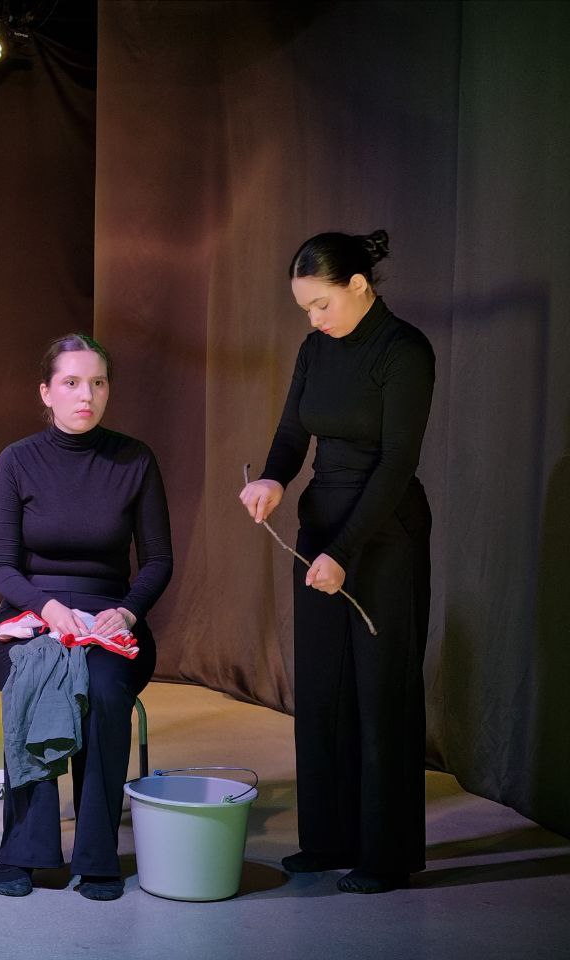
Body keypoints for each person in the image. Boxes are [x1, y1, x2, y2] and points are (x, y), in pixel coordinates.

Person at [239, 230, 434, 894]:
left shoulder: (404, 351)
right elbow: (294, 431)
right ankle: (327, 839)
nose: (314, 320)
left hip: (383, 535)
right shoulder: (315, 348)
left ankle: (386, 853)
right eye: (305, 310)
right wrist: (273, 479)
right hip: (321, 527)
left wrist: (344, 553)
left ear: (359, 285)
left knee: (382, 693)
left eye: (321, 304)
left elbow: (397, 464)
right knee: (323, 690)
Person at [0, 333, 173, 901]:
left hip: (110, 615)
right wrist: (47, 607)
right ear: (47, 392)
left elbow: (158, 560)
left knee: (104, 688)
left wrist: (128, 612)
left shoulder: (135, 460)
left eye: (97, 382)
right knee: (39, 674)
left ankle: (97, 854)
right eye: (71, 382)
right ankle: (25, 850)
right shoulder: (17, 460)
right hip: (29, 612)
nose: (85, 395)